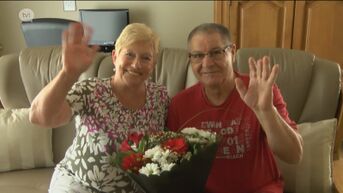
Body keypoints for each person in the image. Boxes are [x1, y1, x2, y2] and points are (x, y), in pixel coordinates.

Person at [29, 22, 169, 193]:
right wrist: (68, 73)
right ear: (115, 57)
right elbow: (40, 117)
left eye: (145, 58)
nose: (136, 64)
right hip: (78, 185)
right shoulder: (91, 90)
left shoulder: (160, 97)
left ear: (154, 64)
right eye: (129, 54)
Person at [167, 23, 303, 193]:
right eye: (198, 55)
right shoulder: (179, 104)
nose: (207, 63)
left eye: (216, 52)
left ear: (232, 51)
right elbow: (172, 165)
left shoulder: (260, 90)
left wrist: (266, 112)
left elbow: (294, 155)